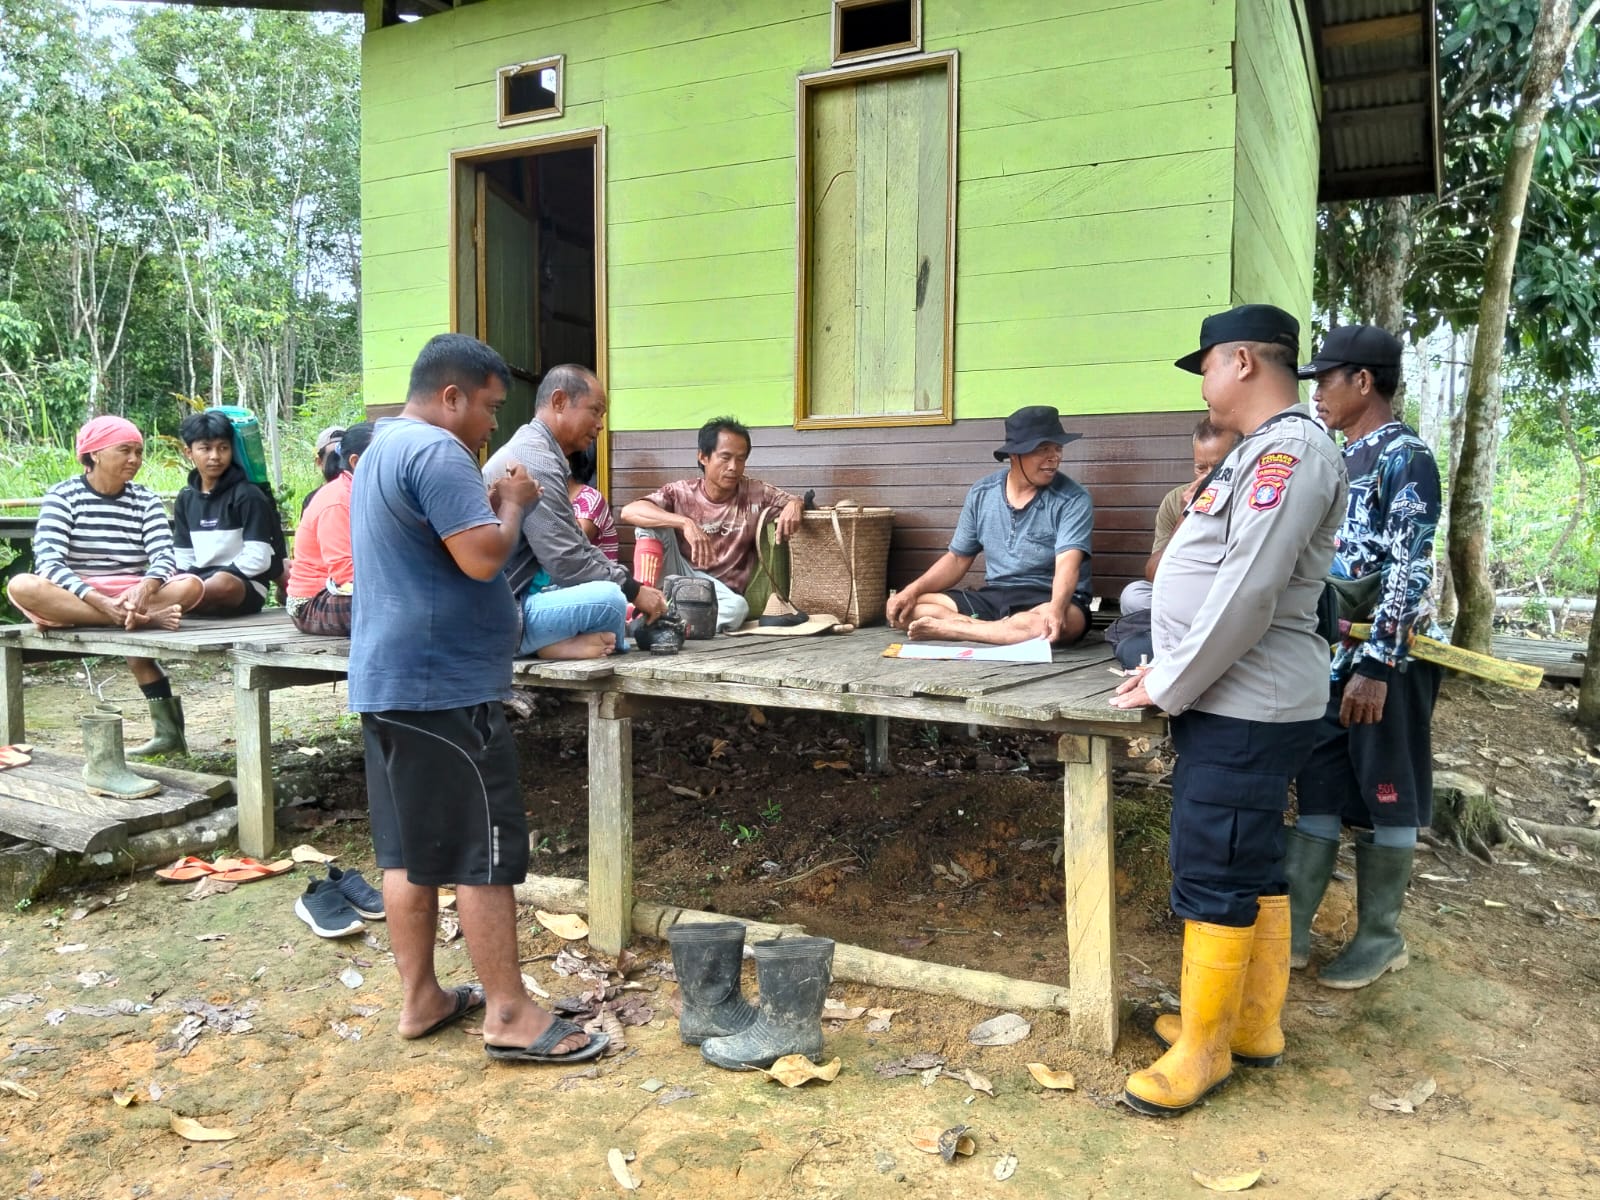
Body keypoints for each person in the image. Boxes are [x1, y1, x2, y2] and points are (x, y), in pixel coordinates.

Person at [1109, 304, 1347, 1117]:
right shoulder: (1259, 454)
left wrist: (1168, 681)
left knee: (1213, 864)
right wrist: (1168, 664)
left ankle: (1204, 1049)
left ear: (1241, 361)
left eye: (1206, 365)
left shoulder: (1289, 454)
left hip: (1245, 702)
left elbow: (1247, 596)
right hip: (1237, 694)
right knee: (1250, 862)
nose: (1204, 382)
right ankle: (1249, 1025)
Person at [347, 333, 605, 1064]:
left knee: (407, 854)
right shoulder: (435, 452)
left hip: (391, 683)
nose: (495, 425)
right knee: (482, 855)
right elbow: (484, 555)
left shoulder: (382, 451)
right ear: (452, 395)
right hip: (443, 690)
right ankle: (512, 1015)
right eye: (491, 407)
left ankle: (422, 997)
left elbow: (442, 547)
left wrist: (488, 505)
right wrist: (516, 502)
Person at [1287, 326, 1442, 990]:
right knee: (1319, 787)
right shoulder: (1342, 453)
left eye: (1326, 379)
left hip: (1385, 664)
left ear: (1363, 381)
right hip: (1331, 657)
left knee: (1387, 795)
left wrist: (1379, 665)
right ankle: (1291, 933)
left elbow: (1411, 569)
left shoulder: (1406, 457)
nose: (1316, 392)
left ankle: (1381, 938)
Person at [6, 415, 204, 756]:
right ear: (94, 454)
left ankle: (169, 737)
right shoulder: (63, 495)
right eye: (125, 450)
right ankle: (131, 619)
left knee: (193, 585)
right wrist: (99, 600)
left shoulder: (145, 498)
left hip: (132, 594)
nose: (135, 460)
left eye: (139, 452)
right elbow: (50, 562)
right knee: (22, 585)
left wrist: (144, 588)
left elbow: (163, 556)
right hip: (79, 594)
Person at [482, 364, 668, 660]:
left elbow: (577, 547)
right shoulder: (535, 459)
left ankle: (559, 643)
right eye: (595, 411)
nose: (600, 425)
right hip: (501, 614)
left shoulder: (540, 451)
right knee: (609, 601)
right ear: (559, 402)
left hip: (516, 602)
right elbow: (567, 562)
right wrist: (634, 591)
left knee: (609, 596)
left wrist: (633, 587)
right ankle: (540, 646)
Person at [885, 405, 1094, 646]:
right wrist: (909, 592)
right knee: (904, 611)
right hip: (996, 596)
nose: (1054, 457)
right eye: (1043, 449)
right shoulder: (982, 493)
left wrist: (1056, 609)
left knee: (1041, 627)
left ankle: (958, 628)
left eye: (1057, 448)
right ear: (1015, 454)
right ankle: (994, 630)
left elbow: (1068, 564)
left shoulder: (1073, 499)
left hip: (1050, 598)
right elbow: (957, 559)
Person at [620, 417, 803, 632]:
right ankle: (641, 605)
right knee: (649, 525)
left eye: (741, 459)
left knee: (737, 609)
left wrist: (795, 504)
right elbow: (629, 511)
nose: (733, 467)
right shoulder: (680, 492)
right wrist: (685, 523)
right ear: (703, 456)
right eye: (725, 457)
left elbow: (794, 500)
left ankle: (667, 624)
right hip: (678, 573)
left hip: (719, 591)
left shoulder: (756, 493)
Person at [1119, 417, 1240, 616]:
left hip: (1228, 597)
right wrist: (1186, 517)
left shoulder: (1248, 497)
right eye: (1201, 468)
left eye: (1219, 469)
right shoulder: (1177, 499)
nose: (1207, 478)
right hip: (1186, 593)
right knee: (1134, 595)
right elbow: (1155, 574)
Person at [172, 409, 285, 618]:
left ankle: (173, 603)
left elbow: (258, 558)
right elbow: (183, 556)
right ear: (189, 453)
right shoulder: (186, 498)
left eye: (223, 448)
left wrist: (199, 585)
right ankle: (181, 602)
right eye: (205, 449)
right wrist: (191, 580)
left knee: (223, 584)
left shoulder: (248, 496)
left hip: (242, 584)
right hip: (197, 581)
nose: (215, 456)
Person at [285, 421, 374, 636]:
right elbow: (345, 571)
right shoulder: (338, 500)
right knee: (402, 609)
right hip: (312, 602)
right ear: (356, 461)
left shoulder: (363, 491)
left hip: (344, 592)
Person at [301, 425, 345, 515]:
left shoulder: (361, 495)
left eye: (343, 455)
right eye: (333, 458)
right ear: (319, 462)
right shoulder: (312, 500)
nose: (338, 463)